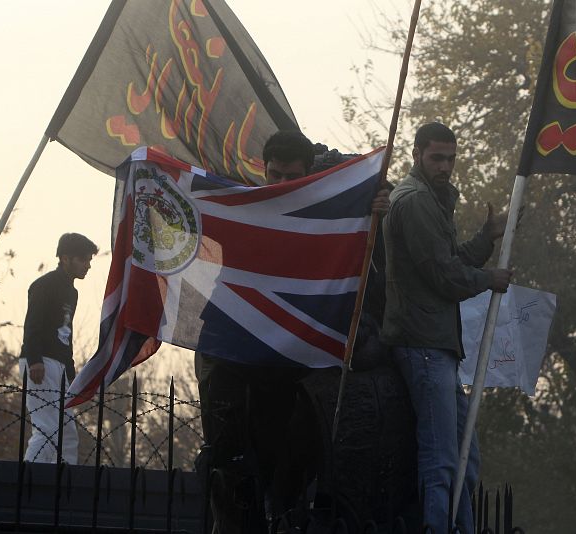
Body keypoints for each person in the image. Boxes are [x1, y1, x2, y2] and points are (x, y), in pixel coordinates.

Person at [195, 130, 390, 529]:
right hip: (236, 359)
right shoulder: (247, 208)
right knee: (230, 472)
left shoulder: (329, 217)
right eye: (274, 174)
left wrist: (373, 216)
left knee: (287, 471)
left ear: (308, 175)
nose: (281, 185)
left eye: (291, 176)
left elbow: (370, 275)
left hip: (292, 371)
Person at [381, 122, 513, 533]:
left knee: (465, 463)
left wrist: (486, 238)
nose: (446, 167)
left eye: (451, 159)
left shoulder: (432, 200)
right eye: (438, 157)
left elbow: (449, 261)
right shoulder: (416, 201)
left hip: (438, 346)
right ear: (418, 153)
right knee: (441, 461)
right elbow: (444, 277)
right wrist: (489, 279)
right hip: (421, 344)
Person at [19, 233, 97, 464]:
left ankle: (63, 485)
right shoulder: (44, 285)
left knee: (66, 434)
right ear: (65, 258)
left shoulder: (71, 292)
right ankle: (29, 479)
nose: (88, 265)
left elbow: (66, 333)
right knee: (47, 429)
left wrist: (71, 373)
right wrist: (35, 359)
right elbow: (33, 324)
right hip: (41, 361)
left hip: (58, 363)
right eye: (83, 259)